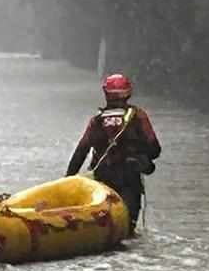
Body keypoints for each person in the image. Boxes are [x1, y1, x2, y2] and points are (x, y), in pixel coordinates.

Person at [64, 73, 161, 236]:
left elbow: (81, 151)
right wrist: (139, 155)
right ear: (128, 93)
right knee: (127, 229)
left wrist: (68, 180)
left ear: (106, 93)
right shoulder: (138, 116)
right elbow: (155, 149)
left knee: (102, 225)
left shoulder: (97, 120)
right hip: (129, 179)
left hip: (102, 179)